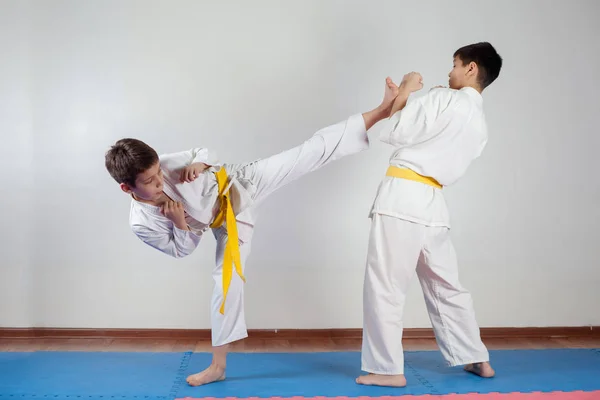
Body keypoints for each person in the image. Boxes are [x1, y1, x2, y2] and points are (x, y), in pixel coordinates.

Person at [104, 79, 400, 386]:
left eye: (158, 174)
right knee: (225, 287)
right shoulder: (142, 222)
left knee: (309, 152)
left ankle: (382, 111)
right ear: (127, 188)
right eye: (150, 182)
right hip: (228, 225)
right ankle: (217, 367)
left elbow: (203, 150)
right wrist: (181, 224)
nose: (159, 181)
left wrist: (201, 163)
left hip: (241, 182)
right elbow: (181, 250)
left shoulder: (163, 165)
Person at [357, 42, 503, 388]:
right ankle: (475, 357)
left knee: (386, 285)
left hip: (402, 198)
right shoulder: (479, 124)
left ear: (471, 69)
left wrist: (405, 91)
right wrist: (403, 100)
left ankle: (387, 368)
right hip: (434, 204)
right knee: (447, 285)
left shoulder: (444, 99)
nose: (449, 72)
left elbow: (396, 131)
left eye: (454, 65)